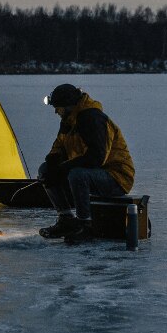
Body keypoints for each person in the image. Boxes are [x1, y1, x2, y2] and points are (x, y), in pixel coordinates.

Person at [38, 84, 135, 244]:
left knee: (77, 174)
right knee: (46, 169)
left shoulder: (92, 118)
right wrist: (53, 160)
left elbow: (97, 158)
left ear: (69, 105)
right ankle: (66, 219)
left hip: (116, 178)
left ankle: (85, 225)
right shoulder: (69, 120)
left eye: (58, 108)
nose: (56, 112)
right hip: (90, 174)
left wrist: (64, 168)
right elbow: (59, 145)